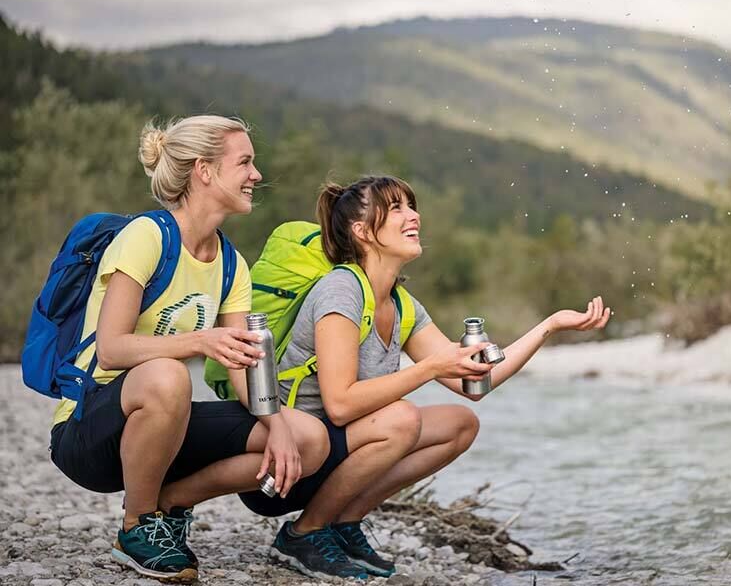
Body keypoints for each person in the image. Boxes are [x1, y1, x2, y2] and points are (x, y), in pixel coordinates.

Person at [236, 175, 611, 580]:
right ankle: (303, 534)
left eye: (410, 206)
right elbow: (340, 405)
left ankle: (342, 523)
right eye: (395, 208)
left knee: (459, 424)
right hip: (285, 464)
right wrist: (429, 368)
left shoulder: (401, 304)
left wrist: (550, 326)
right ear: (362, 232)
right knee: (403, 418)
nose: (412, 215)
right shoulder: (342, 289)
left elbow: (476, 384)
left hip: (336, 456)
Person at [48, 115, 329, 584]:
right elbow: (113, 349)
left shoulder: (231, 264)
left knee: (310, 437)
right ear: (204, 170)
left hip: (162, 426)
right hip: (88, 432)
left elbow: (243, 366)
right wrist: (200, 340)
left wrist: (277, 425)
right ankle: (137, 527)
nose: (256, 175)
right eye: (245, 163)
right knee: (169, 374)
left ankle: (173, 501)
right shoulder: (146, 237)